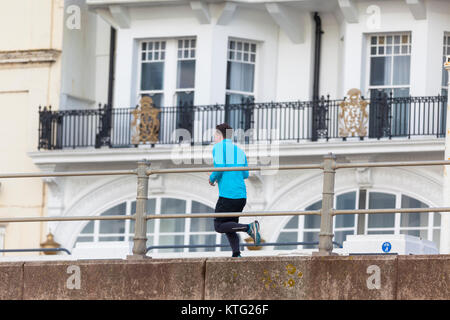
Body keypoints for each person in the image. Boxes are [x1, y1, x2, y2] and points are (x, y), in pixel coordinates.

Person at [209, 123, 261, 258]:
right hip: (241, 196)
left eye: (215, 135)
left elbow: (220, 166)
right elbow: (245, 174)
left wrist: (212, 178)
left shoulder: (219, 147)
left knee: (219, 226)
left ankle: (249, 228)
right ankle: (236, 253)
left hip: (228, 195)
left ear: (220, 135)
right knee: (229, 226)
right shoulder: (239, 150)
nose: (214, 138)